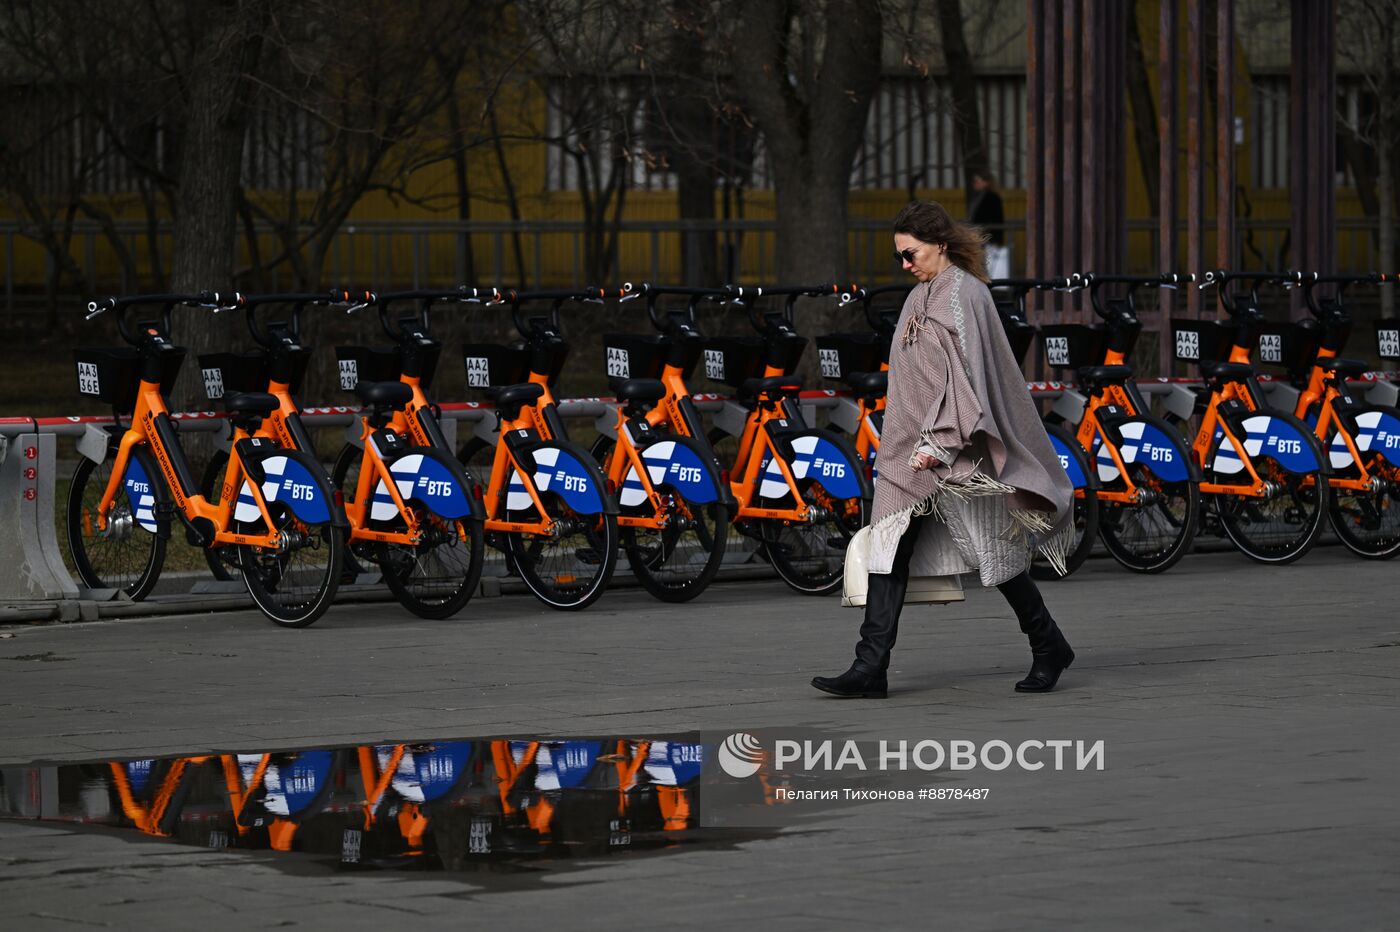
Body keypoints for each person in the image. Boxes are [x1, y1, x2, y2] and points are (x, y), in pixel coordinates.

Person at [811, 200, 1076, 699]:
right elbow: (921, 377)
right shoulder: (921, 295)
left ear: (939, 244)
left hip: (956, 453)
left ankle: (1049, 645)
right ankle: (870, 668)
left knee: (993, 553)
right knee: (890, 547)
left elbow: (969, 379)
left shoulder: (964, 296)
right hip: (907, 453)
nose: (905, 265)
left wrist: (942, 440)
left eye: (910, 254)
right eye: (900, 258)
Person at [967, 170, 1005, 244]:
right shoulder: (977, 196)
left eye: (977, 181)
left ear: (986, 182)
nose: (974, 184)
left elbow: (994, 218)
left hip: (989, 237)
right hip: (979, 235)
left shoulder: (992, 198)